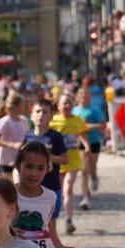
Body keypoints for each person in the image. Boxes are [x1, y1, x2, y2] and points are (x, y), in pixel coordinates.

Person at [13, 141, 80, 248]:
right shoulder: (8, 194)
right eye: (28, 166)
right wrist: (8, 231)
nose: (34, 173)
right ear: (17, 165)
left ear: (47, 169)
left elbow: (48, 227)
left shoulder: (50, 196)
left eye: (40, 168)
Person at [50, 93, 90, 235]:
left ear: (73, 105)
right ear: (58, 106)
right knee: (60, 191)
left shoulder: (78, 120)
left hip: (72, 159)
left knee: (68, 188)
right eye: (64, 103)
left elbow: (81, 134)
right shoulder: (53, 121)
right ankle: (57, 215)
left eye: (69, 103)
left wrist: (87, 146)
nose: (67, 105)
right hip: (58, 160)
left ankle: (68, 220)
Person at [23, 98, 68, 220]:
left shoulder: (55, 136)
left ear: (51, 116)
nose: (41, 115)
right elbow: (20, 162)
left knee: (49, 226)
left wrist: (47, 157)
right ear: (31, 115)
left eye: (45, 112)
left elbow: (64, 159)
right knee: (32, 223)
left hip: (51, 186)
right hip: (30, 188)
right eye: (37, 111)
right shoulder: (27, 136)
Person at [73, 85, 106, 208]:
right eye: (81, 95)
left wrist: (89, 127)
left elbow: (103, 125)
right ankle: (85, 196)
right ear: (77, 97)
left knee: (92, 167)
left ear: (90, 98)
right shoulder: (74, 111)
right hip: (79, 143)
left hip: (94, 142)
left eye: (86, 95)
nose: (84, 97)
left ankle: (94, 176)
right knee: (83, 169)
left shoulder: (94, 110)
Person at [0, 93, 30, 175]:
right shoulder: (4, 122)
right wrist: (12, 145)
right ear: (13, 107)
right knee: (7, 186)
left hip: (20, 160)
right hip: (6, 162)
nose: (24, 107)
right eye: (22, 105)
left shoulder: (24, 120)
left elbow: (26, 137)